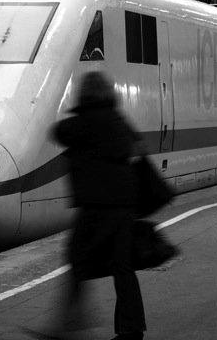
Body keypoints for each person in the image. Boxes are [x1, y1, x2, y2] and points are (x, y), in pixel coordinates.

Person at [51, 71, 146, 340]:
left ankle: (68, 326)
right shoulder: (118, 120)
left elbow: (58, 131)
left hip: (96, 206)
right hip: (124, 205)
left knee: (77, 261)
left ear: (85, 95)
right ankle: (132, 330)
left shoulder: (85, 122)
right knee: (122, 267)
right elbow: (136, 145)